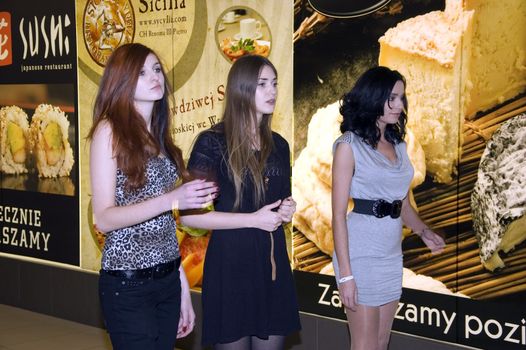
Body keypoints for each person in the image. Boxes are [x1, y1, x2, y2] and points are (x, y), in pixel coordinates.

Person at [88, 43, 218, 350]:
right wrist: (173, 200)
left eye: (156, 69)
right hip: (128, 283)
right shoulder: (109, 131)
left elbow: (164, 226)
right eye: (142, 72)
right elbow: (104, 218)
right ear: (122, 81)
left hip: (167, 280)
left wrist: (182, 285)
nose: (154, 77)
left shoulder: (158, 139)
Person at [180, 55, 301, 349]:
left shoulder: (280, 145)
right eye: (262, 84)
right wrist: (253, 219)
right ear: (241, 89)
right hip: (231, 268)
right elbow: (190, 217)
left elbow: (278, 200)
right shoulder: (212, 143)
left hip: (272, 268)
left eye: (274, 83)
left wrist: (286, 210)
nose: (272, 91)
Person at [331, 66, 445, 350]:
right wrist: (345, 275)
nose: (399, 105)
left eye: (402, 98)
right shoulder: (348, 146)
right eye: (392, 98)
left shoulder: (399, 145)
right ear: (374, 98)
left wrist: (423, 231)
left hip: (391, 256)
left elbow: (402, 202)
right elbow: (337, 215)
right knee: (365, 345)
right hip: (360, 256)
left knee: (381, 343)